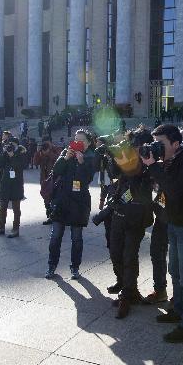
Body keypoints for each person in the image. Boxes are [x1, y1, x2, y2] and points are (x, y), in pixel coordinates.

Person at [142, 124, 183, 343]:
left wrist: (155, 167)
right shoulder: (173, 158)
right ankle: (178, 310)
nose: (157, 148)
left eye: (160, 144)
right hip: (175, 221)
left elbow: (176, 190)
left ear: (176, 143)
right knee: (175, 270)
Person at [105, 126, 155, 318]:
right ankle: (128, 288)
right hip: (119, 213)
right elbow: (113, 173)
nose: (135, 148)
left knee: (129, 256)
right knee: (115, 252)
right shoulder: (127, 156)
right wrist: (114, 154)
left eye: (138, 145)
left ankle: (127, 295)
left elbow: (139, 180)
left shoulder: (149, 160)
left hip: (137, 215)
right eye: (133, 144)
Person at [45, 129, 98, 279]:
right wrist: (65, 159)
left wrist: (81, 163)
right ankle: (51, 265)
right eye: (75, 139)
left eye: (81, 141)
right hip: (61, 200)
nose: (77, 143)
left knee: (76, 237)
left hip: (79, 202)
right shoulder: (65, 153)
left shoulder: (90, 157)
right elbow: (55, 171)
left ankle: (75, 267)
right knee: (55, 236)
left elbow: (86, 180)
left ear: (87, 143)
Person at [0, 140, 28, 238]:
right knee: (2, 207)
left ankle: (15, 229)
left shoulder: (21, 153)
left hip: (16, 185)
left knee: (16, 209)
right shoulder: (5, 153)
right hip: (5, 184)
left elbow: (20, 166)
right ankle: (1, 227)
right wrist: (4, 153)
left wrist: (12, 155)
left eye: (12, 144)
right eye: (9, 144)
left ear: (17, 144)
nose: (10, 146)